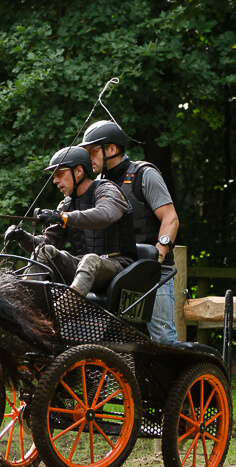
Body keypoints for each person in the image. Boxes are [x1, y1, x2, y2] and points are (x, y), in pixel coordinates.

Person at [78, 120, 180, 344]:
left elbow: (170, 219)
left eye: (93, 151)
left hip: (154, 273)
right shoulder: (98, 185)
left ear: (111, 149)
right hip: (120, 274)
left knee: (162, 340)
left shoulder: (144, 175)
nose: (89, 158)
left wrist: (157, 258)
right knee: (116, 342)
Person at [4, 146, 137, 297]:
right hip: (81, 267)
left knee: (90, 259)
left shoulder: (107, 190)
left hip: (119, 268)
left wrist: (64, 217)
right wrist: (22, 237)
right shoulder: (66, 204)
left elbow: (105, 215)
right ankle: (25, 301)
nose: (55, 180)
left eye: (60, 173)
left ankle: (66, 307)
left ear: (79, 171)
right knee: (45, 251)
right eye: (54, 176)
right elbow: (48, 243)